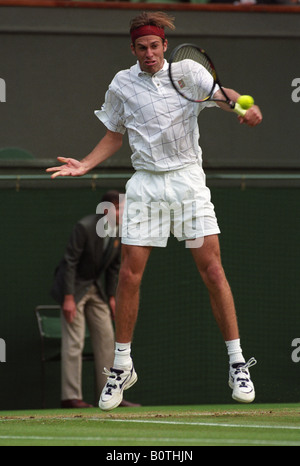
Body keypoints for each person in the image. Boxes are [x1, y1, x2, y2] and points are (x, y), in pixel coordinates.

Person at [47, 11, 263, 411]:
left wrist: (242, 107)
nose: (148, 53)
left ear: (165, 46)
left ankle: (236, 363)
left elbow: (223, 93)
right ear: (133, 49)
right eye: (141, 47)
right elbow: (115, 134)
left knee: (212, 269)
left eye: (154, 46)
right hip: (145, 184)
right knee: (129, 273)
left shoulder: (188, 72)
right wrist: (85, 163)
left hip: (186, 182)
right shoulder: (121, 83)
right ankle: (122, 366)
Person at [51, 190, 140, 408]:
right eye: (121, 208)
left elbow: (113, 268)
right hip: (73, 288)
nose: (125, 212)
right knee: (74, 342)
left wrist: (111, 297)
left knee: (108, 338)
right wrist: (69, 298)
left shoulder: (120, 231)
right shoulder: (85, 227)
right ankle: (70, 397)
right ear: (107, 210)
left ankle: (109, 394)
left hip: (95, 288)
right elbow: (69, 263)